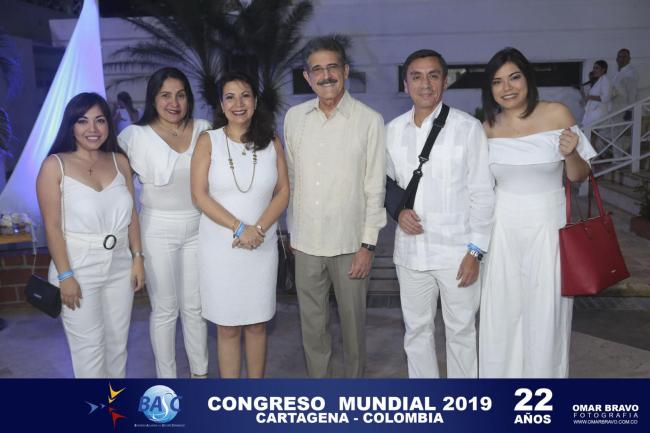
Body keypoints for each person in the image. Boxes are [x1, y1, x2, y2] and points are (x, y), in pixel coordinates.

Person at [479, 47, 596, 378]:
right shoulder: (486, 127)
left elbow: (579, 175)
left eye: (514, 77)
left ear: (527, 79)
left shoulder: (557, 114)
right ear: (490, 88)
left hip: (549, 229)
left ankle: (543, 393)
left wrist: (572, 154)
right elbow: (479, 188)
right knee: (502, 315)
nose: (507, 88)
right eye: (497, 81)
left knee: (546, 314)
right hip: (502, 231)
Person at [385, 49, 495, 378]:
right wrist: (399, 211)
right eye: (416, 77)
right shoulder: (392, 131)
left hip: (457, 254)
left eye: (433, 76)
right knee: (416, 332)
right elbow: (383, 185)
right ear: (406, 84)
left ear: (445, 82)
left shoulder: (467, 128)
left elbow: (483, 193)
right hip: (411, 253)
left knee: (461, 332)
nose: (425, 84)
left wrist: (475, 252)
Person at [283, 36, 386, 378]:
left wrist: (367, 245)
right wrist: (293, 230)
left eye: (332, 67)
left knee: (354, 328)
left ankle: (352, 393)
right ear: (307, 77)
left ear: (345, 71)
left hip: (350, 244)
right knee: (312, 328)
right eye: (317, 69)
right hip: (306, 243)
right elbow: (292, 179)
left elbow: (375, 186)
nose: (325, 75)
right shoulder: (295, 118)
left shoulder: (369, 120)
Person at [36, 92, 144, 378]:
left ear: (109, 124)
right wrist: (65, 275)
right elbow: (52, 227)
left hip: (120, 264)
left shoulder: (120, 161)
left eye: (100, 120)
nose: (92, 129)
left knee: (118, 346)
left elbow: (132, 215)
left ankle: (115, 404)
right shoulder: (54, 165)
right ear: (71, 125)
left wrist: (137, 257)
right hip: (77, 265)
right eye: (83, 121)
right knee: (90, 351)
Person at [191, 71, 289, 378]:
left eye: (245, 95)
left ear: (255, 101)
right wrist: (239, 228)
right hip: (221, 248)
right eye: (230, 97)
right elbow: (199, 195)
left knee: (258, 324)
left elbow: (283, 191)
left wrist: (257, 230)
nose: (238, 104)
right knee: (228, 327)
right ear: (221, 105)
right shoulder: (208, 141)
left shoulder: (272, 141)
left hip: (261, 244)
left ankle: (253, 396)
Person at [118, 67, 210, 378]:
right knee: (166, 309)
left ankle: (200, 377)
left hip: (199, 227)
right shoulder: (134, 136)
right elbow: (117, 187)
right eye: (166, 95)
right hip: (157, 229)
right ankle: (168, 383)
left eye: (181, 95)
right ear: (153, 99)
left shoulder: (204, 129)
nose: (174, 103)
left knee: (195, 308)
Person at [581, 60, 611, 126]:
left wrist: (590, 97)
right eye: (593, 68)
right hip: (593, 112)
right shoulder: (599, 80)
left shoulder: (605, 80)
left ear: (603, 70)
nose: (594, 70)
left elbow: (606, 97)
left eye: (596, 68)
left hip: (598, 112)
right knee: (586, 129)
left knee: (590, 130)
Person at [611, 48, 639, 120]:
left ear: (629, 59)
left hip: (624, 109)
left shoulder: (631, 73)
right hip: (614, 108)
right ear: (617, 59)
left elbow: (632, 93)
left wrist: (629, 111)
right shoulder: (617, 73)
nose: (622, 59)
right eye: (620, 56)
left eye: (624, 57)